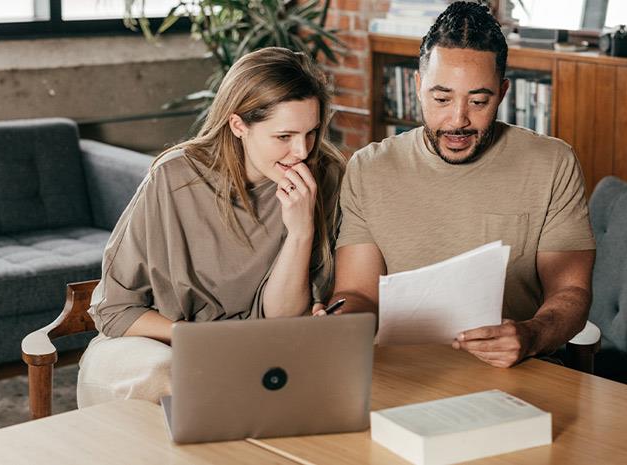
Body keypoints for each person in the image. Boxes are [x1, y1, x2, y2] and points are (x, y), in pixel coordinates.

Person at [315, 2, 596, 369]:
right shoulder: (369, 168)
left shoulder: (552, 163)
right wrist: (341, 323)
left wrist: (532, 334)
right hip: (405, 370)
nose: (458, 119)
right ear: (418, 87)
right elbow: (358, 293)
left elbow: (571, 292)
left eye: (479, 100)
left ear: (503, 92)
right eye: (442, 98)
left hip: (518, 367)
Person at [77, 47, 346, 407]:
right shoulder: (174, 177)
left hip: (258, 353)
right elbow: (115, 311)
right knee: (177, 379)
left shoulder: (324, 174)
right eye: (284, 136)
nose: (301, 151)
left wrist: (300, 231)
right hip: (153, 350)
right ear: (239, 126)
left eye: (311, 132)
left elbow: (283, 319)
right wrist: (206, 341)